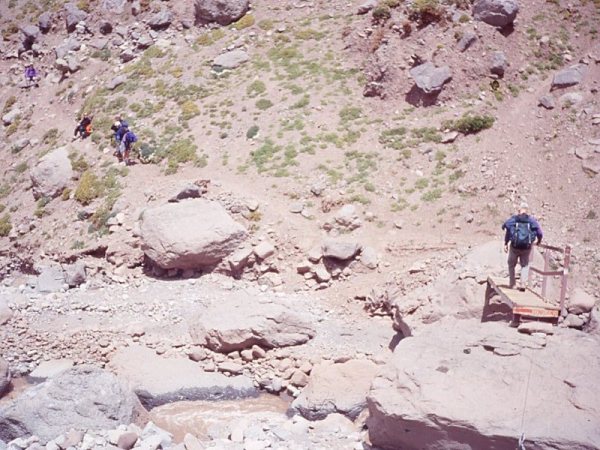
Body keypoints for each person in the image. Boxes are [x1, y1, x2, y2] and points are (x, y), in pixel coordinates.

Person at [501, 202, 543, 290]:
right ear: (527, 210)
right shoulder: (531, 220)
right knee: (525, 265)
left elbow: (506, 227)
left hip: (515, 247)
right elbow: (539, 232)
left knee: (511, 264)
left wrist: (506, 243)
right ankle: (523, 284)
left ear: (519, 210)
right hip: (526, 248)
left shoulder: (514, 219)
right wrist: (538, 241)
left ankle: (512, 284)